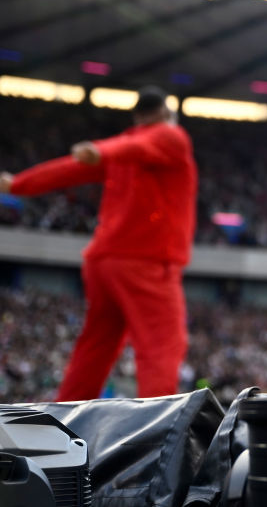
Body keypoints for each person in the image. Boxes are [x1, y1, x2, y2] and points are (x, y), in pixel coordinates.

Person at [0, 86, 198, 399]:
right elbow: (144, 144)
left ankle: (65, 423)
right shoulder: (170, 136)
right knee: (162, 345)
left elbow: (70, 168)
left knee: (95, 348)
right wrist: (101, 151)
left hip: (104, 262)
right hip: (144, 260)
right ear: (167, 114)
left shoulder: (124, 146)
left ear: (136, 117)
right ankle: (159, 436)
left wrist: (20, 184)